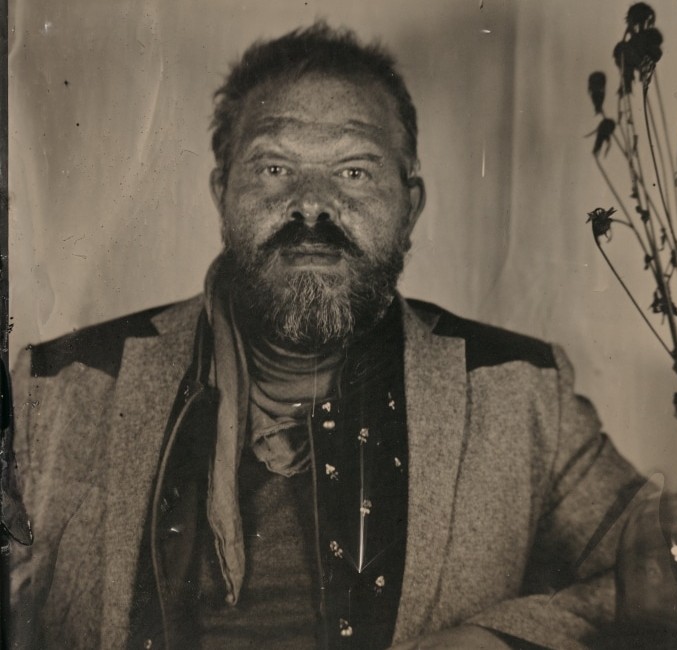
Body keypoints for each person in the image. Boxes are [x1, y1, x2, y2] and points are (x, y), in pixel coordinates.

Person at [8, 23, 642, 650]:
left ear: (411, 205)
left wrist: (496, 640)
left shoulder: (520, 390)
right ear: (221, 194)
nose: (311, 205)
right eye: (274, 167)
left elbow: (655, 576)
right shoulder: (59, 389)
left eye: (354, 171)